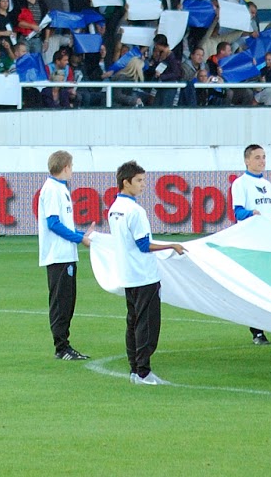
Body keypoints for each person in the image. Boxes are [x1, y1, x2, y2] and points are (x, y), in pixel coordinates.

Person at [103, 160, 186, 385]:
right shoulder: (135, 211)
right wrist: (171, 246)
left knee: (133, 322)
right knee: (147, 324)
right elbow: (143, 245)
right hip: (144, 275)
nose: (142, 185)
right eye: (139, 181)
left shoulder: (114, 209)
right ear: (126, 182)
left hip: (128, 274)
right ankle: (144, 372)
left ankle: (135, 369)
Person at [229, 144, 271, 345]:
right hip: (252, 244)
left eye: (264, 157)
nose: (262, 161)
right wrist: (251, 214)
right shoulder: (240, 184)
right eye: (258, 157)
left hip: (270, 243)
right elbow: (238, 213)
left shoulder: (267, 185)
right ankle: (257, 333)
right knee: (255, 289)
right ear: (247, 160)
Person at [37, 150, 93, 361]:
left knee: (68, 301)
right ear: (66, 167)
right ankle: (61, 347)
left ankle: (64, 345)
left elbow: (62, 224)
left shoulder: (61, 189)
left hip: (65, 254)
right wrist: (79, 239)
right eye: (71, 166)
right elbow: (53, 223)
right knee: (61, 302)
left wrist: (81, 235)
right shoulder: (52, 190)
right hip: (58, 256)